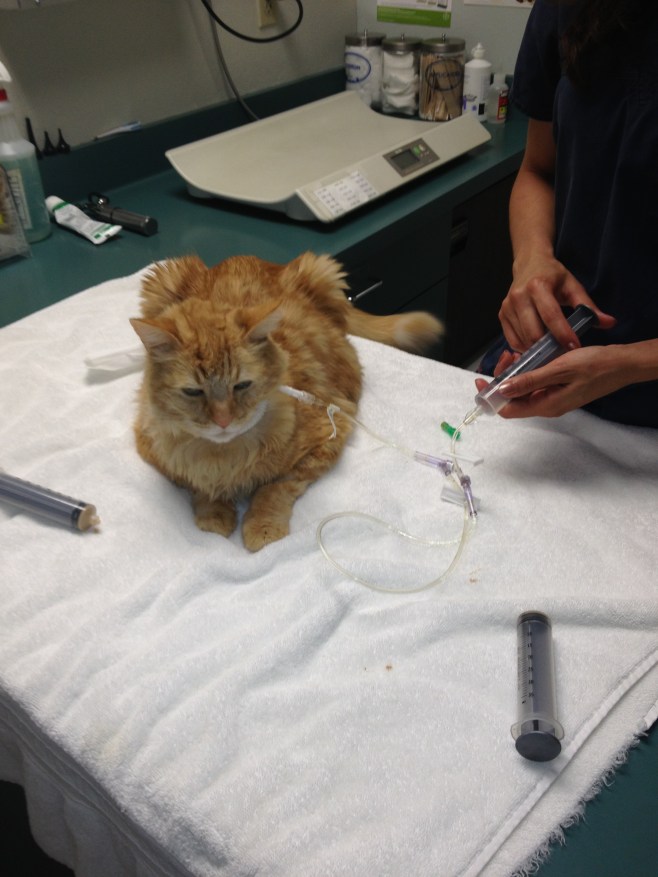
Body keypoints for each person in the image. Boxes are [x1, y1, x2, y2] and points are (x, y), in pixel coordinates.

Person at [476, 0, 658, 428]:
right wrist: (533, 261)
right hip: (558, 352)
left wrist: (631, 363)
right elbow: (538, 171)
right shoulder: (567, 10)